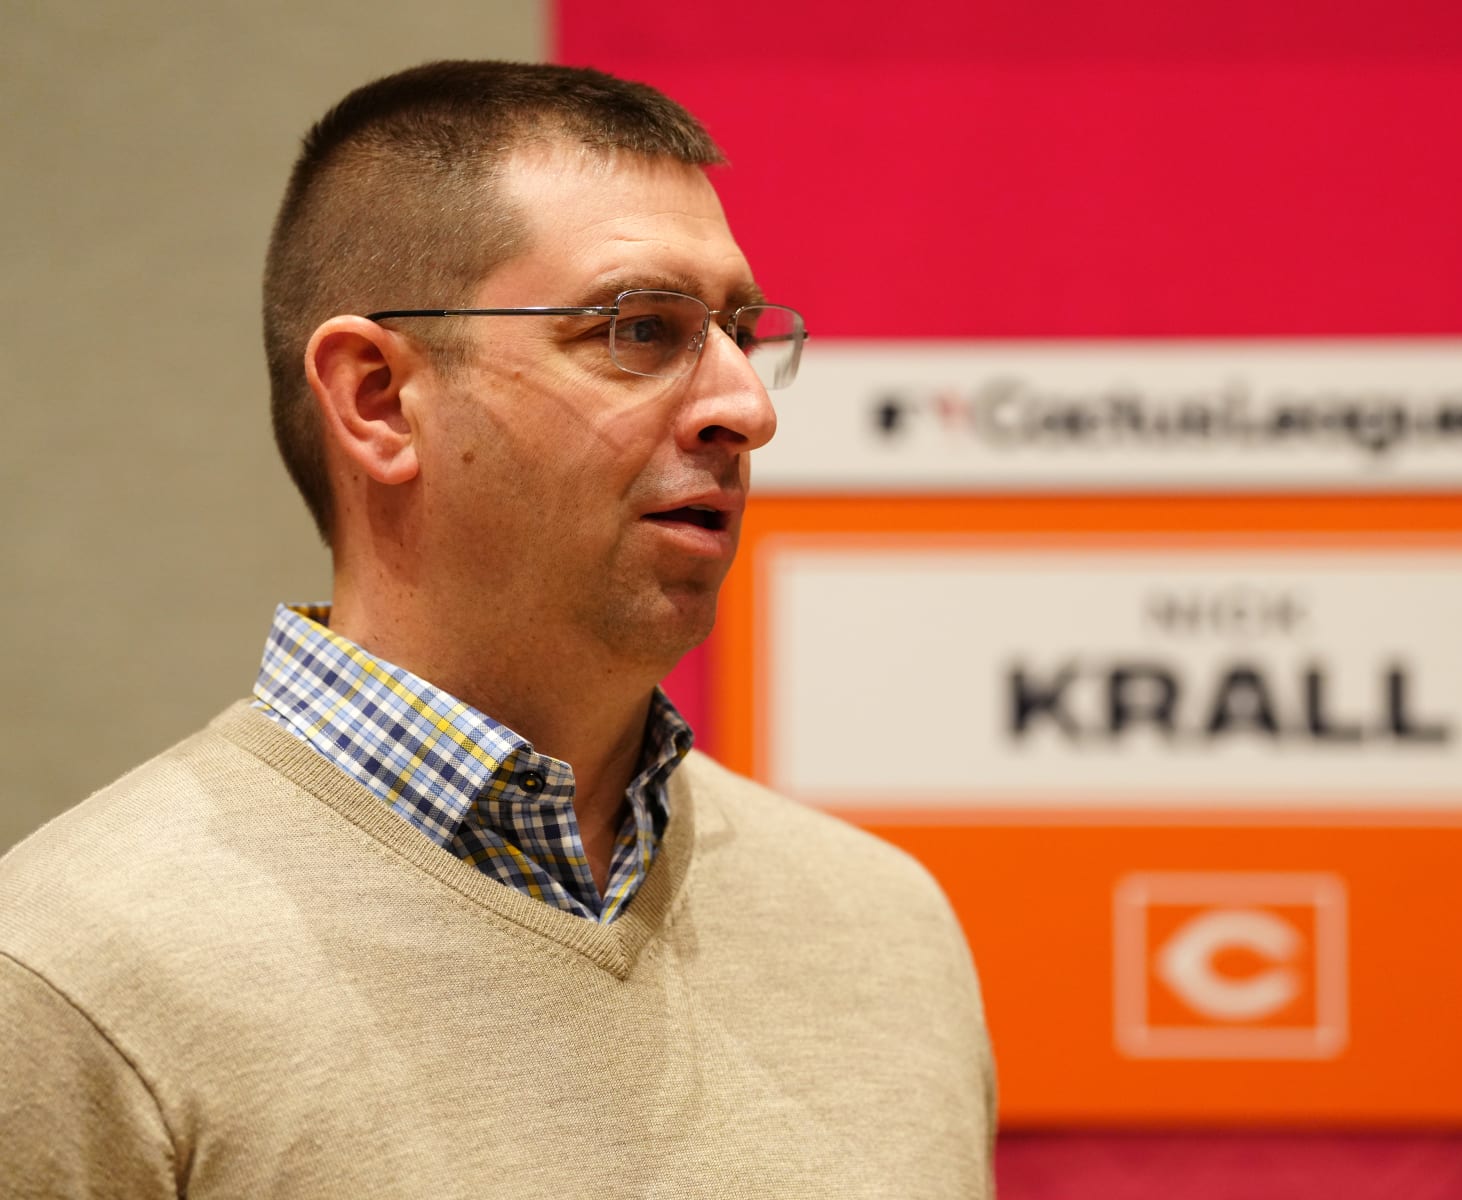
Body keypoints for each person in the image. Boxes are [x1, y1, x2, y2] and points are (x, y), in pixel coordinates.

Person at [0, 61, 994, 1197]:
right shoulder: (69, 977)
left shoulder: (883, 933)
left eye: (738, 332)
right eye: (639, 329)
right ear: (378, 397)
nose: (748, 408)